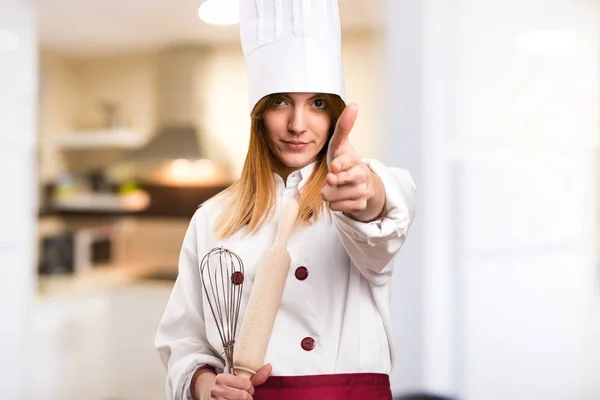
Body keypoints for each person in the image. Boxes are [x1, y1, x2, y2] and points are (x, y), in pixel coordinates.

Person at [155, 0, 416, 399]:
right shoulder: (210, 218)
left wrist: (368, 195)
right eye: (280, 101)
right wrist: (207, 386)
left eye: (316, 104)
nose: (297, 124)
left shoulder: (351, 195)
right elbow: (184, 342)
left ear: (334, 115)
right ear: (258, 113)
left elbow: (383, 220)